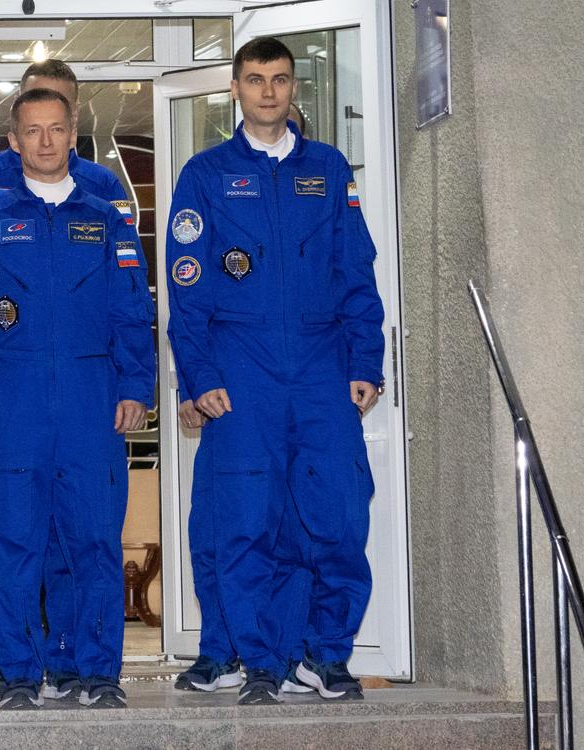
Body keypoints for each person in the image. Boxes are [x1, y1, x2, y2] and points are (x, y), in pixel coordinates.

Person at [165, 36, 384, 705]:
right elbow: (188, 288)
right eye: (255, 79)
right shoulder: (204, 174)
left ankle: (325, 656)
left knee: (338, 515)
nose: (268, 91)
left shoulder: (327, 168)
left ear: (295, 90)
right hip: (242, 370)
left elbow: (356, 274)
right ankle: (258, 658)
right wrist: (199, 378)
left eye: (280, 80)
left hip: (321, 371)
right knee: (244, 519)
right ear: (236, 88)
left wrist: (366, 361)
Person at [0, 87, 156, 709]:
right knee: (9, 540)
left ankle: (96, 671)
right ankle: (16, 672)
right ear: (13, 141)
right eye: (32, 131)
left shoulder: (108, 217)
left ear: (73, 132)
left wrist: (137, 385)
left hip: (92, 399)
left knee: (93, 541)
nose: (46, 141)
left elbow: (132, 310)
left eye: (56, 129)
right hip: (9, 399)